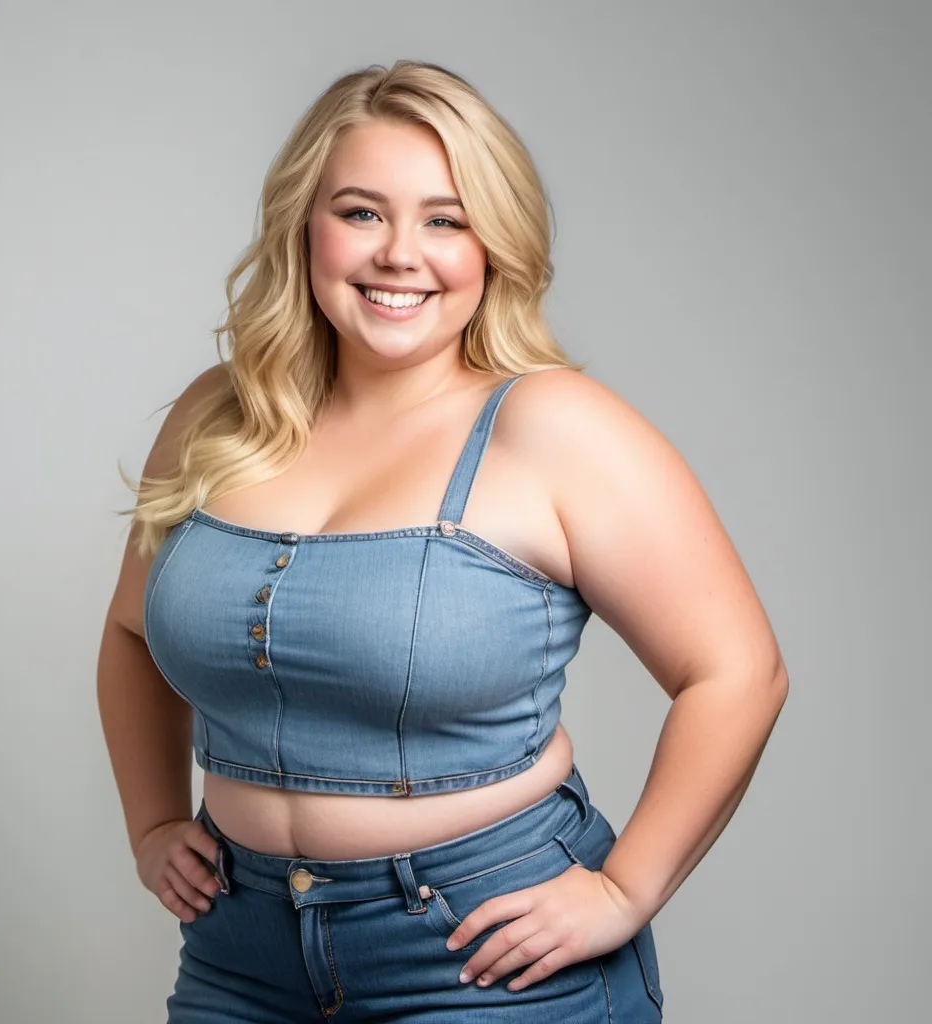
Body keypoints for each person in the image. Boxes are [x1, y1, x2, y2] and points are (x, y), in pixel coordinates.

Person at [97, 59, 788, 1022]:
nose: (399, 255)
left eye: (445, 219)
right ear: (306, 225)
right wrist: (153, 824)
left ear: (493, 243)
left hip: (480, 958)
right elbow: (132, 634)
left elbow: (739, 673)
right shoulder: (220, 415)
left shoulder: (556, 427)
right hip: (240, 951)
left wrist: (625, 891)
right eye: (362, 212)